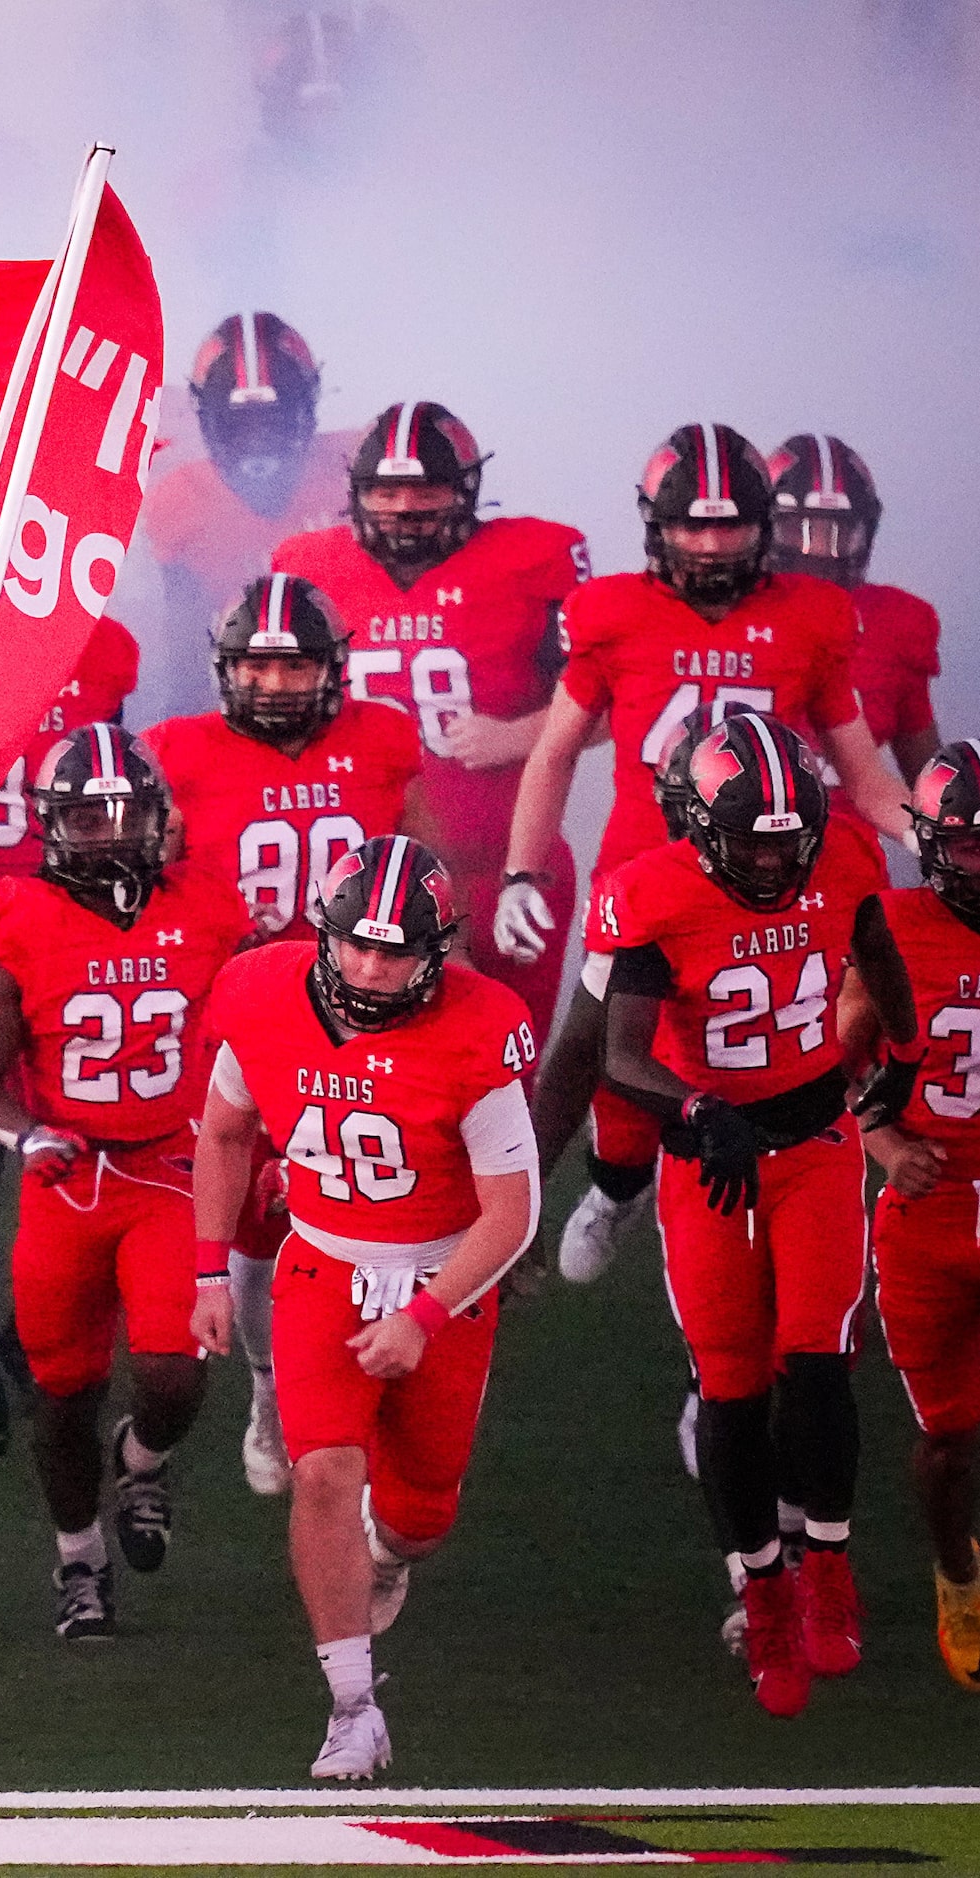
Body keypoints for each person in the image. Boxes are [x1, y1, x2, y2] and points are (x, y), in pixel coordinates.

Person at [494, 424, 907, 1286]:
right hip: (649, 874)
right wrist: (521, 869)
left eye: (727, 524)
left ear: (764, 523)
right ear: (655, 524)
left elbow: (866, 778)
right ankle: (543, 1213)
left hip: (771, 872)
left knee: (795, 1035)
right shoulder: (610, 611)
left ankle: (838, 1202)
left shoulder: (813, 616)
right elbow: (556, 751)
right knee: (582, 1048)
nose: (710, 543)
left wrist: (931, 839)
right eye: (690, 524)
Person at [192, 836, 540, 1779]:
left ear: (435, 953)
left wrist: (422, 1317)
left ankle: (388, 1553)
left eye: (394, 951)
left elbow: (513, 1211)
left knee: (422, 1511)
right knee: (322, 1473)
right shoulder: (261, 991)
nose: (370, 966)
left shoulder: (479, 1024)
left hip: (445, 1274)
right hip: (321, 1263)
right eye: (355, 944)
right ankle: (353, 1704)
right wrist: (207, 1272)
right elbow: (224, 1130)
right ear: (324, 934)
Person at [592, 713, 913, 1717]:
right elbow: (621, 1049)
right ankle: (764, 1590)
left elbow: (878, 953)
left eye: (789, 835)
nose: (775, 856)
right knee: (730, 1389)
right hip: (714, 1166)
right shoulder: (653, 894)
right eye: (754, 837)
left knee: (816, 1368)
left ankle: (828, 1567)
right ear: (699, 823)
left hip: (817, 1146)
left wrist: (899, 1063)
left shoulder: (847, 856)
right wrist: (693, 1109)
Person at [0, 727, 253, 1639]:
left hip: (171, 1164)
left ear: (161, 820)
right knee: (63, 1390)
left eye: (126, 814)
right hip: (70, 1176)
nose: (108, 834)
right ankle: (79, 1560)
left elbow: (253, 1040)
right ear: (50, 825)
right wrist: (23, 1133)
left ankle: (144, 1456)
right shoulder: (14, 917)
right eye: (87, 815)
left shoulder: (210, 908)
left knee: (174, 1372)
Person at [144, 573, 428, 1495]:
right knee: (256, 1216)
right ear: (227, 670)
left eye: (294, 664)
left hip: (364, 1003)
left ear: (331, 667)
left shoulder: (381, 740)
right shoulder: (180, 751)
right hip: (246, 1006)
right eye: (257, 667)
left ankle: (381, 1375)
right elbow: (158, 888)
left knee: (367, 1191)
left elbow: (419, 866)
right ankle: (271, 1386)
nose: (273, 685)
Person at [273, 401, 590, 1038]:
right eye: (387, 490)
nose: (404, 508)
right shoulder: (307, 563)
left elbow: (611, 699)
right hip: (363, 875)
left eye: (426, 490)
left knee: (502, 1058)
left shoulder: (535, 557)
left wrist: (519, 733)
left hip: (502, 859)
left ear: (466, 489)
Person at [0, 610, 140, 1457]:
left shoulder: (101, 649)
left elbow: (112, 781)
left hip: (60, 916)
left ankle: (8, 1337)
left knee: (95, 1128)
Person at [851, 742, 980, 1688]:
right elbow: (830, 1065)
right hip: (930, 1206)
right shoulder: (891, 926)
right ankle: (958, 1572)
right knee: (943, 1444)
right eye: (967, 846)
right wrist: (885, 1142)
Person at [134, 313, 357, 721]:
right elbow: (184, 650)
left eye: (273, 420)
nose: (259, 438)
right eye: (240, 424)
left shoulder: (354, 469)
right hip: (254, 699)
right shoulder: (179, 500)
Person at [766, 433, 942, 784]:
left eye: (838, 534)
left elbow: (932, 783)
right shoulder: (728, 608)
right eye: (800, 531)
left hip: (845, 831)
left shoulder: (895, 623)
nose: (819, 550)